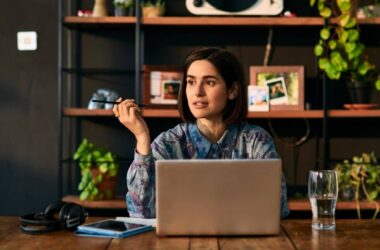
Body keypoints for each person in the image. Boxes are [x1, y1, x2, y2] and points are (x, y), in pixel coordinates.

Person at [113, 47, 289, 219]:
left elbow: (277, 207)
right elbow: (141, 213)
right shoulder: (168, 143)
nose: (197, 92)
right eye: (191, 82)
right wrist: (142, 138)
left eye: (209, 82)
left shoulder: (256, 141)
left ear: (232, 91)